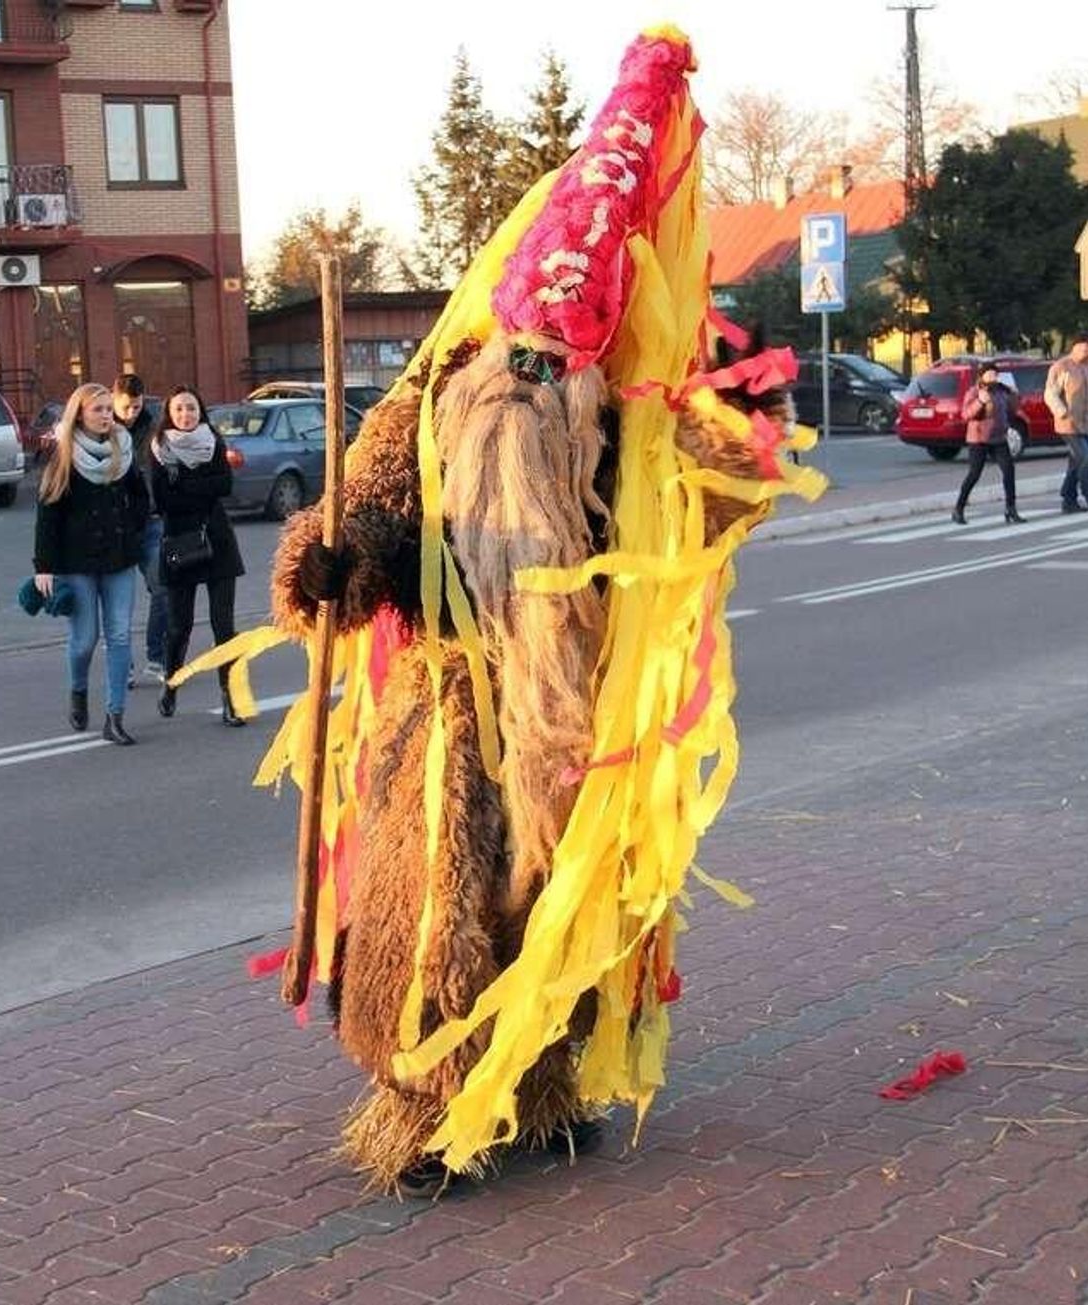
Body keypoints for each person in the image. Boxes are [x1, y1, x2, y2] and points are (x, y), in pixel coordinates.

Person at [192, 26, 823, 1200]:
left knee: (560, 895)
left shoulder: (624, 412)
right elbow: (358, 518)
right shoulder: (433, 396)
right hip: (442, 703)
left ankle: (543, 1081)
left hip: (577, 700)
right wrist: (334, 562)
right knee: (435, 906)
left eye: (559, 361)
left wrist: (749, 440)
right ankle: (422, 1109)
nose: (536, 376)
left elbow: (714, 508)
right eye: (524, 354)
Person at [33, 382, 148, 745]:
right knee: (84, 640)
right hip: (76, 562)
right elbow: (47, 514)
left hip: (119, 559)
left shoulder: (123, 449)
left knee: (119, 635)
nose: (104, 416)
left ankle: (115, 717)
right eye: (96, 410)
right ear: (79, 414)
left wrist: (132, 529)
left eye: (106, 409)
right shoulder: (63, 454)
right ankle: (79, 689)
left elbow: (141, 499)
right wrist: (44, 566)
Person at [151, 385, 246, 727]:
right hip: (179, 543)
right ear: (169, 414)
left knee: (225, 626)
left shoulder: (213, 441)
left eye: (191, 408)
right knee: (180, 627)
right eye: (178, 410)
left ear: (200, 412)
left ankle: (230, 697)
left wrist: (186, 487)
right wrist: (201, 488)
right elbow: (163, 500)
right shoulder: (160, 449)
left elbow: (226, 487)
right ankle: (172, 684)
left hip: (217, 541)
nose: (185, 415)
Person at [113, 374, 168, 678]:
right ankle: (123, 665)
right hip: (116, 526)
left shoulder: (154, 426)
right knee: (119, 599)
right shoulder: (104, 427)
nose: (131, 413)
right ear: (114, 399)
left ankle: (156, 656)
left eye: (136, 406)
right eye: (125, 407)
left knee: (162, 586)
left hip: (151, 520)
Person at [951, 363, 1024, 525]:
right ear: (981, 376)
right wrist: (980, 402)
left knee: (1009, 472)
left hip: (999, 438)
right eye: (989, 374)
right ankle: (958, 508)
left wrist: (1014, 396)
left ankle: (1010, 509)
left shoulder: (1002, 391)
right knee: (974, 474)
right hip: (979, 439)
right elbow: (965, 415)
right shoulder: (974, 392)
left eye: (995, 375)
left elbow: (1013, 411)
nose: (993, 378)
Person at [1045, 334, 1088, 512]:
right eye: (1084, 348)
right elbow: (1050, 394)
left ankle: (1068, 499)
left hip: (1085, 422)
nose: (1086, 351)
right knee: (1086, 458)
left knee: (1076, 462)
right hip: (1068, 423)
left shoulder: (1086, 366)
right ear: (1074, 347)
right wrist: (1061, 411)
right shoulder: (1062, 366)